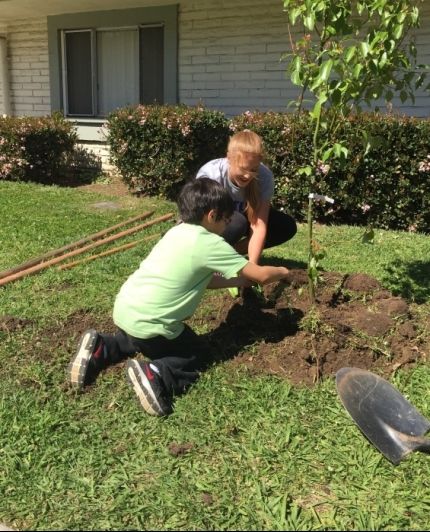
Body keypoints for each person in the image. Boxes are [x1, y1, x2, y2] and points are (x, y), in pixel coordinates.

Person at [68, 178, 289, 417]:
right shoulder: (211, 243)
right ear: (212, 215)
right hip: (155, 324)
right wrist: (285, 272)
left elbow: (202, 280)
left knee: (138, 337)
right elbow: (261, 275)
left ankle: (103, 345)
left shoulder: (176, 232)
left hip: (126, 310)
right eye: (226, 219)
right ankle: (156, 373)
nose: (228, 225)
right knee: (196, 353)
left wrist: (237, 281)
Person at [196, 129, 297, 265]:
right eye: (243, 169)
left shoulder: (265, 177)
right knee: (237, 222)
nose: (248, 175)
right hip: (209, 224)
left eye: (253, 169)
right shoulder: (211, 175)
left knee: (285, 226)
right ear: (229, 159)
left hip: (239, 218)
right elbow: (200, 222)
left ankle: (230, 255)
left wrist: (252, 267)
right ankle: (207, 258)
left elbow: (259, 227)